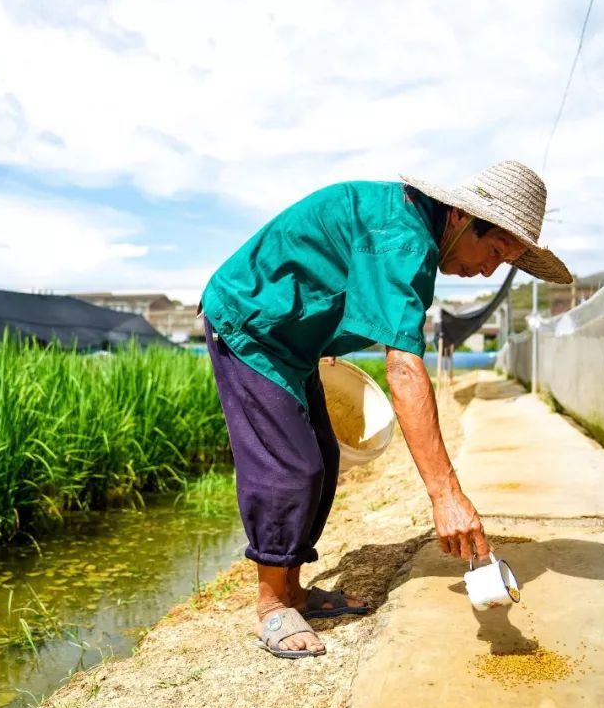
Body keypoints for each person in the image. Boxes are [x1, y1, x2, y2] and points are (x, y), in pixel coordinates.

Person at [199, 160, 572, 659]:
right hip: (251, 326)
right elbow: (402, 368)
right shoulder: (404, 238)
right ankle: (271, 605)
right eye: (494, 251)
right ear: (461, 218)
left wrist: (325, 335)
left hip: (296, 341)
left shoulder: (410, 231)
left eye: (502, 264)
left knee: (323, 461)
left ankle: (294, 593)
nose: (488, 269)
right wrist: (446, 495)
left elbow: (337, 278)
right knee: (290, 467)